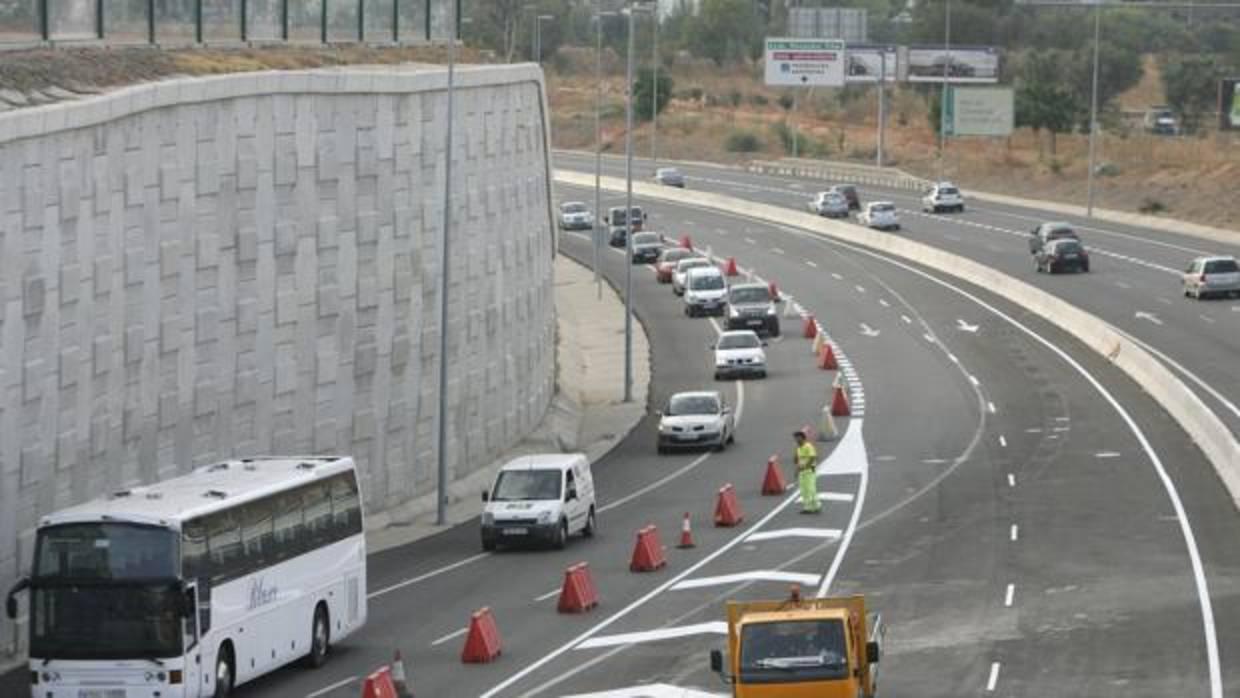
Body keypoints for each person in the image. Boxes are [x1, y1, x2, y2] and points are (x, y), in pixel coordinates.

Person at [793, 431, 820, 513]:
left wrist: (805, 467)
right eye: (795, 438)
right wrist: (797, 469)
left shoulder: (808, 446)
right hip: (802, 471)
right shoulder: (798, 448)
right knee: (804, 489)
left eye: (798, 438)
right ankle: (814, 506)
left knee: (810, 488)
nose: (796, 440)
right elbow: (797, 460)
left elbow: (813, 457)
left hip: (809, 470)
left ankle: (810, 507)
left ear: (803, 438)